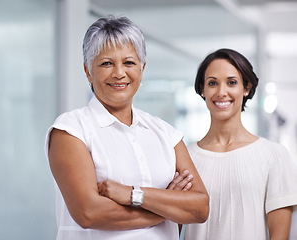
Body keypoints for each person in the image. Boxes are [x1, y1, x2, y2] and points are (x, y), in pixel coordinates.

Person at [45, 15, 209, 240]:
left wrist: (133, 195)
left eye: (129, 63)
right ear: (87, 70)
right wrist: (166, 208)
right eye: (106, 63)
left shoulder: (166, 134)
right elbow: (88, 212)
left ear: (142, 69)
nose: (119, 73)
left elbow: (199, 207)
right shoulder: (71, 131)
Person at [183, 48, 297, 240]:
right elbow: (171, 228)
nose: (221, 92)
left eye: (231, 83)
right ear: (202, 89)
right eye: (212, 83)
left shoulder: (274, 155)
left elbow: (279, 236)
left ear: (246, 88)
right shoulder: (185, 157)